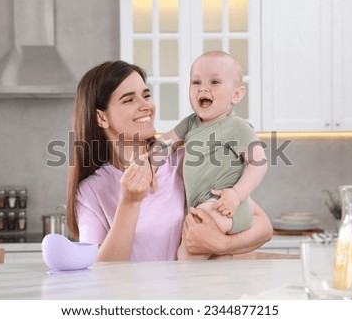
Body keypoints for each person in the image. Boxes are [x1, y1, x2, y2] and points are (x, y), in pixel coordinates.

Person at [66, 60, 272, 262]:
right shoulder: (91, 191)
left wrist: (223, 245)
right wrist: (129, 203)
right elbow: (100, 273)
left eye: (146, 95)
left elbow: (263, 226)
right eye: (129, 100)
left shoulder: (185, 160)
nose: (145, 105)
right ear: (101, 118)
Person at [156, 51, 268, 260]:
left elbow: (259, 162)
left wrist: (236, 195)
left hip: (223, 206)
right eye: (196, 82)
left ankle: (187, 290)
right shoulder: (191, 123)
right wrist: (146, 162)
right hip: (205, 206)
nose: (203, 88)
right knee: (214, 260)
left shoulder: (236, 126)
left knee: (188, 251)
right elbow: (166, 143)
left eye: (215, 82)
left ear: (236, 94)